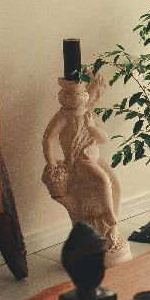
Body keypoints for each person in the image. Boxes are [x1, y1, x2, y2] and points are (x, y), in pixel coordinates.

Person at [42, 74, 130, 264]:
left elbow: (104, 138)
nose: (97, 99)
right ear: (83, 93)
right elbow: (48, 139)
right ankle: (107, 213)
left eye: (99, 95)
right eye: (95, 94)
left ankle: (112, 229)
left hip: (95, 157)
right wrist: (52, 164)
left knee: (115, 183)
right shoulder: (65, 116)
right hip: (82, 161)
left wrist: (91, 127)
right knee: (102, 180)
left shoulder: (90, 116)